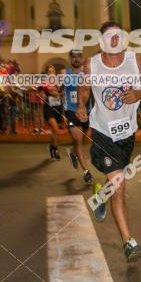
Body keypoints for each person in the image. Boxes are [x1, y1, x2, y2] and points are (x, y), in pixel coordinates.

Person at [76, 21, 141, 262]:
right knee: (120, 185)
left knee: (116, 182)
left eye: (118, 36)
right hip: (102, 131)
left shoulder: (136, 62)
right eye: (109, 37)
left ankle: (100, 194)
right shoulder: (93, 64)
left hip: (127, 132)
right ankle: (128, 241)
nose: (114, 40)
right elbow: (84, 88)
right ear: (102, 40)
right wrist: (81, 105)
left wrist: (140, 93)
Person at [63, 50, 93, 184]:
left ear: (82, 58)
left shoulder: (87, 73)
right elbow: (56, 87)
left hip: (87, 111)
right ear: (70, 59)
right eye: (73, 57)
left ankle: (74, 154)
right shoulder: (64, 73)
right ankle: (86, 172)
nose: (76, 59)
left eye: (79, 56)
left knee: (83, 139)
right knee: (78, 139)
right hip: (71, 111)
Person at [40, 65, 63, 159]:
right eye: (49, 71)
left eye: (53, 71)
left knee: (54, 131)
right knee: (55, 128)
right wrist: (56, 91)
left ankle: (52, 147)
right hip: (48, 108)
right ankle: (56, 149)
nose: (51, 73)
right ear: (46, 73)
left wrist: (57, 91)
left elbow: (60, 92)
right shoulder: (45, 82)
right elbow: (53, 92)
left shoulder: (58, 82)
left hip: (58, 107)